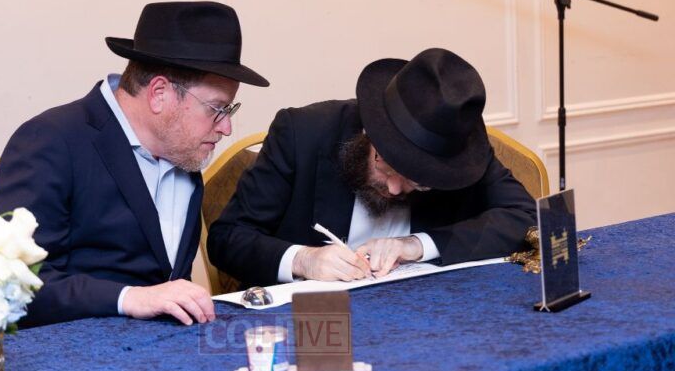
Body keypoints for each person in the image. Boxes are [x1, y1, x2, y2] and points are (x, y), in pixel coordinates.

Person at [0, 1, 269, 327]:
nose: (227, 128)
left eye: (229, 111)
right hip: (76, 351)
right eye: (216, 109)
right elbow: (13, 282)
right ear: (159, 93)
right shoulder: (51, 141)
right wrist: (129, 297)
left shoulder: (182, 151)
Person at [207, 48, 536, 287]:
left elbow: (528, 218)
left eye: (418, 183)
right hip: (317, 328)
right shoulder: (302, 133)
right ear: (369, 133)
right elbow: (228, 238)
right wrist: (303, 260)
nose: (394, 189)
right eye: (385, 165)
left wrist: (417, 245)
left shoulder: (457, 152)